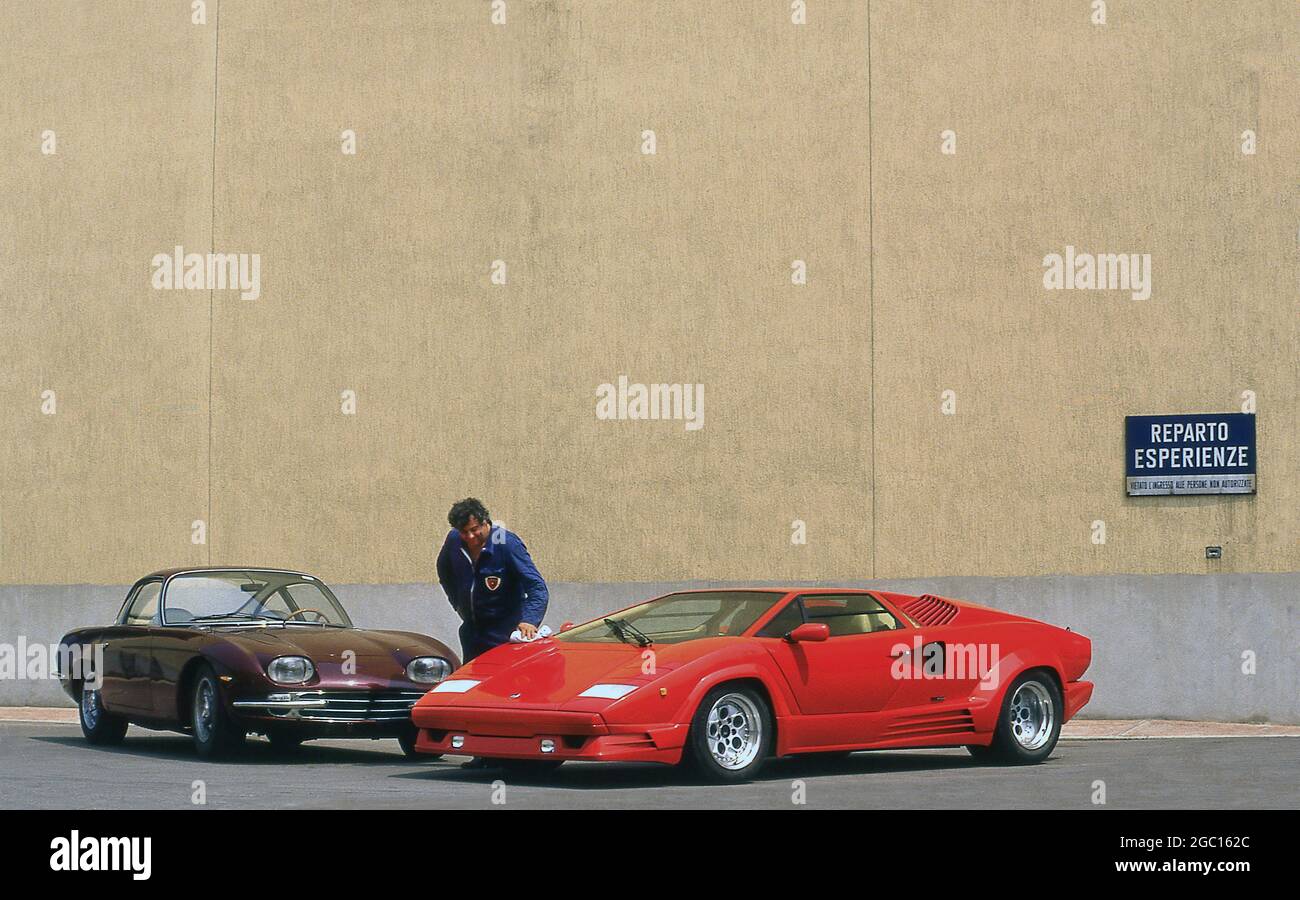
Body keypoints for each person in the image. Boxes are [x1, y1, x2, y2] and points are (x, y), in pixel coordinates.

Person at [436, 498, 549, 664]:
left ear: (485, 522)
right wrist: (459, 604)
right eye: (464, 532)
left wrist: (529, 620)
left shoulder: (506, 543)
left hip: (504, 635)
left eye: (474, 529)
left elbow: (537, 587)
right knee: (473, 684)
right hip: (472, 634)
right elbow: (444, 571)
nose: (470, 536)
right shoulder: (454, 540)